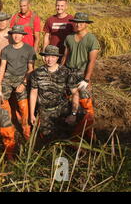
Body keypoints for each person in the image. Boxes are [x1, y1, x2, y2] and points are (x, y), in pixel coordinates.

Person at [61, 12, 100, 141]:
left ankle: (91, 133)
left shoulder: (91, 39)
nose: (78, 24)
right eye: (76, 22)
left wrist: (86, 79)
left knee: (86, 104)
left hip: (82, 73)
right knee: (69, 100)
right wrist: (61, 71)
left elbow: (92, 61)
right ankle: (73, 132)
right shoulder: (69, 38)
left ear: (86, 24)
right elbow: (65, 57)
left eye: (81, 22)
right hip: (69, 72)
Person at [29, 45, 79, 142]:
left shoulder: (66, 72)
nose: (49, 59)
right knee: (47, 138)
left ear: (57, 57)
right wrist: (31, 114)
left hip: (61, 109)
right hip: (44, 111)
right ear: (43, 57)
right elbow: (33, 93)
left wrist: (73, 113)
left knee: (67, 136)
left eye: (53, 56)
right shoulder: (37, 73)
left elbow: (75, 93)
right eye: (47, 56)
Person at [0, 25, 36, 140]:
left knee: (23, 104)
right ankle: (9, 123)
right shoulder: (6, 49)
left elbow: (30, 69)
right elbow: (2, 67)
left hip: (22, 77)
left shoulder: (29, 49)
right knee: (2, 99)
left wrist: (24, 83)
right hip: (8, 77)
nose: (16, 36)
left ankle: (25, 128)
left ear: (23, 36)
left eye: (19, 34)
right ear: (11, 35)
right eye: (14, 33)